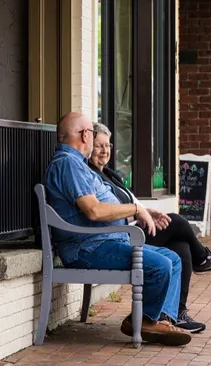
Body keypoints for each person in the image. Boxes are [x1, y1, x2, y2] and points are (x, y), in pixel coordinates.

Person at [44, 112, 191, 346]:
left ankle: (152, 320)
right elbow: (93, 211)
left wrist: (143, 211)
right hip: (88, 248)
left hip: (105, 242)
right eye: (92, 134)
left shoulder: (75, 164)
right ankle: (145, 321)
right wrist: (134, 209)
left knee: (173, 259)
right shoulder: (68, 164)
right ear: (85, 135)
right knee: (160, 265)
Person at [88, 122, 211, 333]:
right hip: (125, 236)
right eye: (98, 146)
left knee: (181, 246)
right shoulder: (91, 177)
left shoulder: (110, 175)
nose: (104, 151)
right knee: (176, 221)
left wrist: (146, 212)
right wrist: (139, 215)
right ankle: (203, 258)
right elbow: (108, 211)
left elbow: (129, 204)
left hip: (133, 227)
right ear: (88, 148)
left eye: (108, 145)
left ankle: (177, 313)